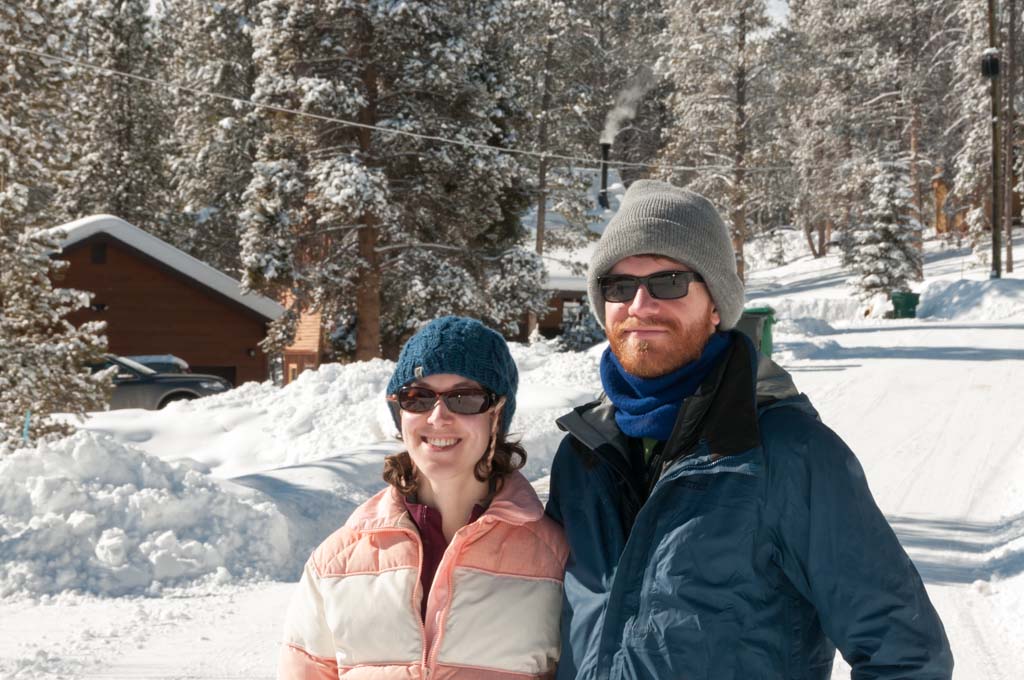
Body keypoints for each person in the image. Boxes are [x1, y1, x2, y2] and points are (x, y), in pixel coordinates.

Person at [546, 181, 953, 679]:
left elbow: (907, 656)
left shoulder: (787, 454)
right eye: (619, 286)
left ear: (716, 305)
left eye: (669, 282)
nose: (640, 304)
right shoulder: (583, 457)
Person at [278, 316, 568, 679]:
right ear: (399, 413)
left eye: (465, 398)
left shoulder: (555, 561)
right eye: (417, 398)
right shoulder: (337, 562)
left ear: (497, 414)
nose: (438, 416)